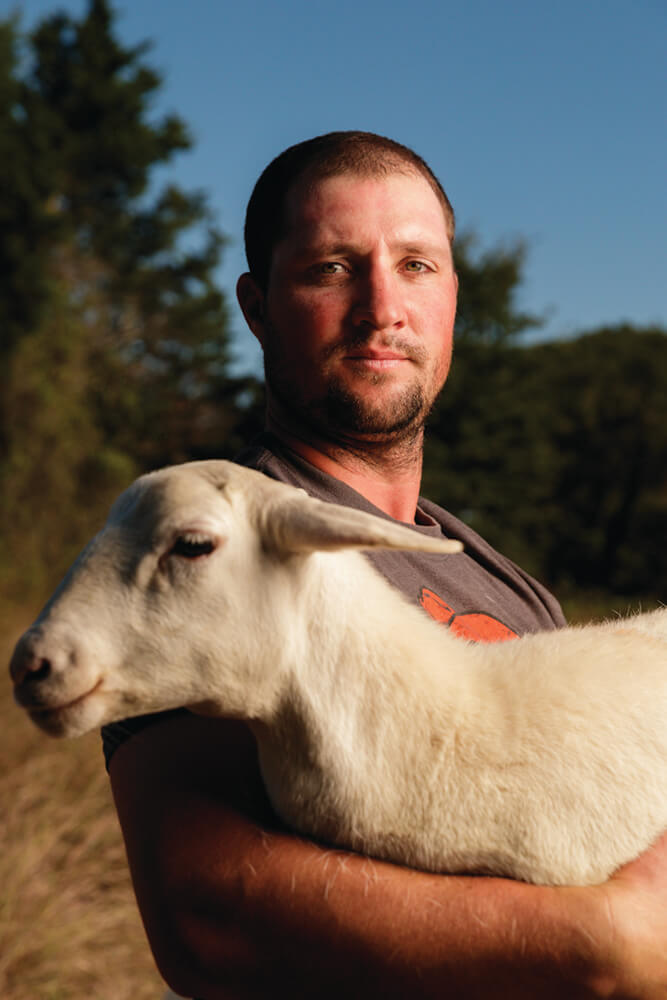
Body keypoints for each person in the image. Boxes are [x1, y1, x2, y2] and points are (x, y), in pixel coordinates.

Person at [105, 132, 667, 1000]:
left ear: (450, 297)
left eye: (415, 265)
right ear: (256, 307)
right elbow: (209, 917)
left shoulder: (510, 589)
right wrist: (607, 938)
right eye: (331, 268)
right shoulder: (209, 548)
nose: (381, 307)